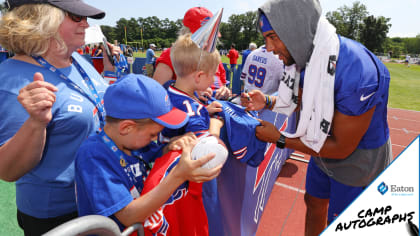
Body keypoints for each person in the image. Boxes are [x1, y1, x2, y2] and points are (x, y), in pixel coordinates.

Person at [241, 0, 392, 235]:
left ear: (296, 30)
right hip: (320, 144)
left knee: (345, 223)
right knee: (313, 202)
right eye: (265, 39)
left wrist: (279, 139)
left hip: (357, 158)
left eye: (273, 37)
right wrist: (268, 101)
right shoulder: (306, 56)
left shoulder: (358, 71)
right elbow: (304, 100)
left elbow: (342, 148)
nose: (268, 48)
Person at [0, 0, 121, 235]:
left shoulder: (80, 61)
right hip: (60, 212)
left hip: (104, 194)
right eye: (76, 16)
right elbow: (7, 170)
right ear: (42, 19)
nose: (86, 23)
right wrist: (36, 124)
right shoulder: (10, 79)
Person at [75, 74, 222, 232]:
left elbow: (156, 153)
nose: (153, 139)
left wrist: (172, 145)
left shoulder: (133, 142)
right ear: (126, 127)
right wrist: (178, 176)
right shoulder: (93, 156)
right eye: (152, 135)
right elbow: (129, 216)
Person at [153, 6, 231, 100]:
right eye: (204, 35)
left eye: (211, 35)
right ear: (187, 34)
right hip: (191, 110)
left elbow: (221, 84)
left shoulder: (212, 55)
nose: (208, 39)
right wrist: (191, 97)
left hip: (219, 107)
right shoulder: (172, 54)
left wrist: (224, 90)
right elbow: (156, 96)